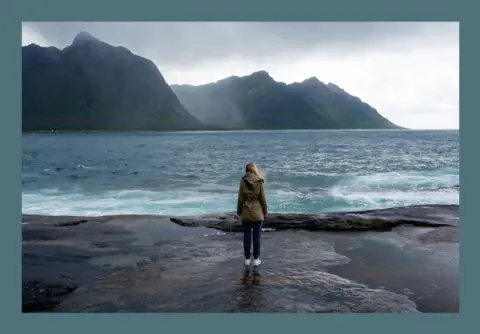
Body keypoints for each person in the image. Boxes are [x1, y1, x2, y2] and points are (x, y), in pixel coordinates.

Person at [237, 163, 268, 267]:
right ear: (255, 170)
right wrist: (265, 211)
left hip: (246, 212)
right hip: (258, 213)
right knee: (257, 237)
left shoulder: (243, 181)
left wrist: (239, 211)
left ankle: (246, 259)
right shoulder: (260, 181)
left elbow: (240, 198)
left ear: (246, 170)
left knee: (246, 236)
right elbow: (263, 199)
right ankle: (256, 259)